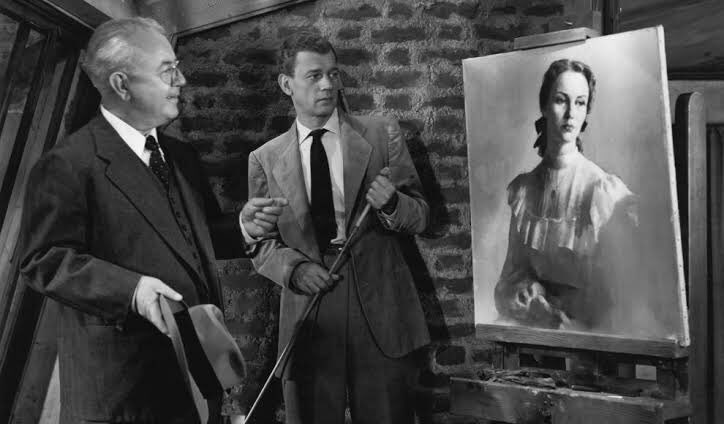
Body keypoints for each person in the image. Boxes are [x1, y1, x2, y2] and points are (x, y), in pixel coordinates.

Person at [19, 17, 286, 424]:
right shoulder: (67, 164)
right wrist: (133, 291)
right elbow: (44, 259)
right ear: (122, 85)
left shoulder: (181, 157)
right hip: (123, 396)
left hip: (195, 385)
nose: (181, 80)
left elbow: (186, 241)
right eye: (167, 71)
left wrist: (242, 228)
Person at [247, 34, 430, 424]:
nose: (328, 85)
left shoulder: (380, 134)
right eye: (314, 76)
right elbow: (260, 245)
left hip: (380, 307)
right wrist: (295, 269)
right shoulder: (265, 159)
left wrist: (392, 204)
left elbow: (420, 215)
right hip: (310, 309)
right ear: (286, 84)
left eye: (333, 74)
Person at [493, 58, 638, 332]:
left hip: (592, 336)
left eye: (580, 103)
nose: (571, 113)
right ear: (545, 106)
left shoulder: (603, 191)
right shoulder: (524, 190)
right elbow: (508, 280)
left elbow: (622, 294)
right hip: (539, 335)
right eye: (561, 100)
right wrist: (532, 301)